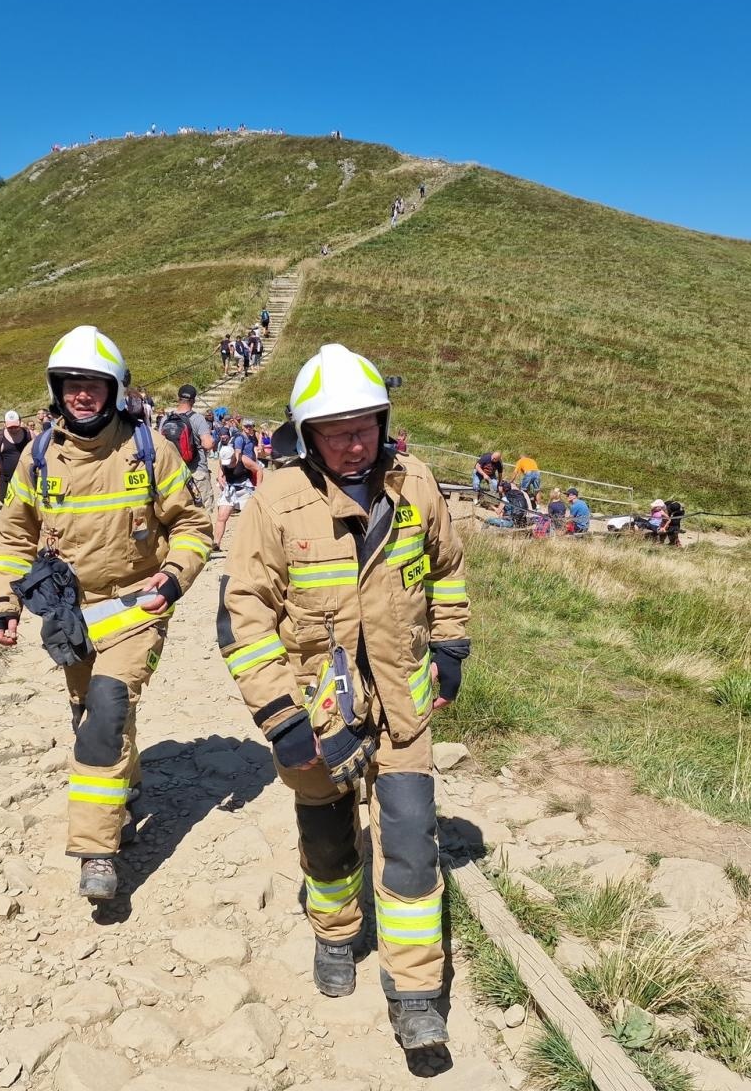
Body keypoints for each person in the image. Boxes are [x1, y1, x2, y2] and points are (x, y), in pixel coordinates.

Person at [218, 342, 469, 1051]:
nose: (354, 443)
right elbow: (246, 615)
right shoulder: (275, 502)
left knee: (413, 842)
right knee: (328, 842)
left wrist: (451, 648)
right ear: (307, 435)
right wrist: (278, 716)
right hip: (315, 717)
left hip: (403, 708)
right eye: (336, 431)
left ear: (384, 421)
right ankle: (335, 933)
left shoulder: (415, 485)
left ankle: (415, 994)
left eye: (365, 426)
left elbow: (447, 569)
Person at [0, 326, 214, 904]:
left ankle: (96, 851)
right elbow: (15, 538)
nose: (82, 394)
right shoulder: (38, 458)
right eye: (71, 384)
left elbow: (193, 526)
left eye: (93, 383)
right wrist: (1, 604)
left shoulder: (149, 450)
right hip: (71, 614)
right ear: (56, 389)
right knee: (88, 711)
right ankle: (126, 784)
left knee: (107, 710)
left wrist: (174, 575)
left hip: (139, 605)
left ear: (114, 390)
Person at [162, 384, 215, 508]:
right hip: (196, 471)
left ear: (178, 398)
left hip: (173, 473)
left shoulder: (166, 418)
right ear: (193, 400)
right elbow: (207, 444)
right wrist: (213, 441)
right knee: (203, 512)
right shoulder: (198, 419)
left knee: (180, 513)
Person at [213, 442, 263, 549]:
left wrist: (258, 487)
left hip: (245, 489)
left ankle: (252, 543)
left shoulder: (243, 459)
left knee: (250, 518)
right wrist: (220, 477)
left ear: (233, 456)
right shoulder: (223, 459)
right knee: (221, 516)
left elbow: (258, 469)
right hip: (230, 489)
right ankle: (216, 543)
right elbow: (221, 469)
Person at [0, 410, 33, 507]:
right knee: (4, 499)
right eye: (10, 427)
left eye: (16, 426)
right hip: (6, 478)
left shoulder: (29, 434)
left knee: (25, 504)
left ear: (20, 422)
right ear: (4, 424)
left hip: (25, 477)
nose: (13, 429)